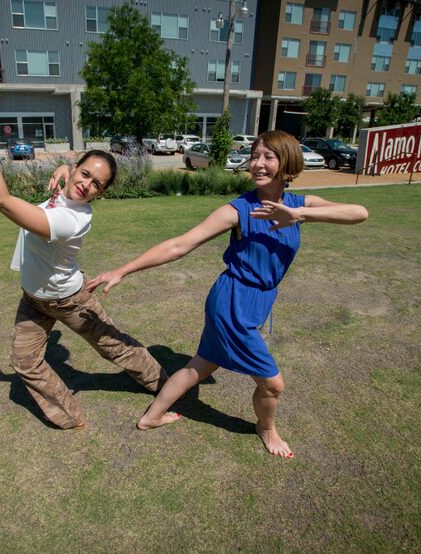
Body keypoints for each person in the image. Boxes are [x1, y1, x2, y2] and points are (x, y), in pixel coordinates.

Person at [86, 130, 368, 457]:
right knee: (273, 384)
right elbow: (180, 245)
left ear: (287, 160)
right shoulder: (238, 210)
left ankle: (150, 418)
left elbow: (359, 212)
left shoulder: (299, 204)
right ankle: (267, 428)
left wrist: (299, 215)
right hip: (232, 303)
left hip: (257, 301)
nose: (257, 163)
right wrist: (122, 270)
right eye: (255, 155)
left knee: (200, 367)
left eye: (268, 156)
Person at [0, 82, 167, 430]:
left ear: (100, 194)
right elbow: (66, 184)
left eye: (96, 185)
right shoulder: (68, 192)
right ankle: (70, 416)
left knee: (114, 347)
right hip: (33, 299)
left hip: (69, 301)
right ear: (75, 168)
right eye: (85, 173)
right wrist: (62, 169)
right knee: (25, 362)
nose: (87, 184)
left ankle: (167, 385)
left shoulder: (71, 219)